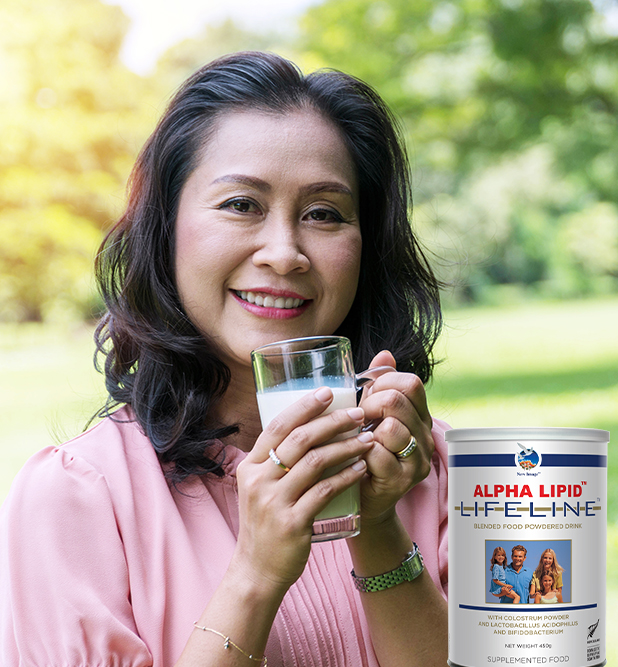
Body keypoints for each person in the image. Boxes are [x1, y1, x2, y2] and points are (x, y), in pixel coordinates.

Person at [0, 51, 448, 666]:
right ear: (166, 229)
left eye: (324, 213)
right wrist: (256, 577)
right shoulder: (80, 499)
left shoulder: (445, 471)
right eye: (241, 204)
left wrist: (378, 528)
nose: (285, 252)